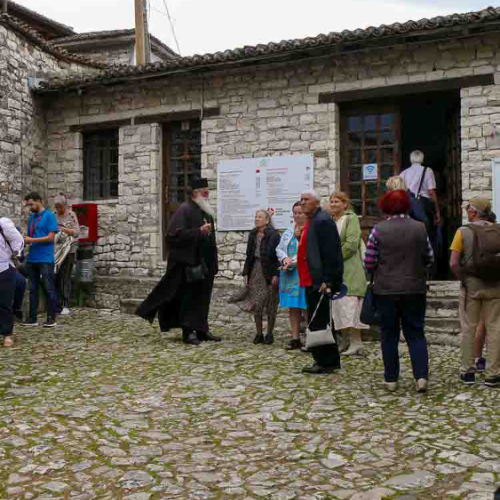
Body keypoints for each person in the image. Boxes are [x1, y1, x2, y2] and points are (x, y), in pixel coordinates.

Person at [136, 178, 220, 346]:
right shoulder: (184, 210)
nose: (207, 193)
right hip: (190, 263)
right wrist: (198, 231)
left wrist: (214, 263)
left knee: (203, 298)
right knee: (189, 298)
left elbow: (211, 239)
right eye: (205, 190)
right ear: (195, 193)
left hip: (206, 263)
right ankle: (188, 332)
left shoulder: (206, 210)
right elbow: (173, 236)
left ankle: (202, 330)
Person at [365, 189, 434, 393]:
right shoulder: (420, 228)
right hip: (414, 288)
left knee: (389, 334)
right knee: (416, 333)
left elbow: (369, 261)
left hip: (385, 290)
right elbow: (429, 257)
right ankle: (421, 377)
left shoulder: (378, 230)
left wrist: (378, 271)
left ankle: (391, 378)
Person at [450, 197, 500, 387]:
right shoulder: (498, 230)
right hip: (495, 285)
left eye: (467, 208)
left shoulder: (462, 232)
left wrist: (462, 279)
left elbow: (453, 263)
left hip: (471, 286)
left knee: (469, 327)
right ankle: (493, 374)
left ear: (473, 211)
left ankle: (468, 371)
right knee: (495, 327)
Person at [298, 190, 344, 374]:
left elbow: (331, 253)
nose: (302, 202)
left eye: (306, 199)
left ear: (316, 202)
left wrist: (328, 280)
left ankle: (324, 362)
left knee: (319, 321)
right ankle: (328, 360)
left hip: (319, 281)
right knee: (319, 320)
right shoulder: (314, 220)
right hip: (311, 279)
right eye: (301, 200)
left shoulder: (322, 221)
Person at [232, 210, 280, 345]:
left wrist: (276, 275)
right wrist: (246, 273)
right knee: (256, 302)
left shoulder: (274, 235)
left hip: (269, 271)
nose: (257, 219)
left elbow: (277, 257)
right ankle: (259, 333)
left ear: (267, 220)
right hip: (255, 270)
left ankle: (269, 333)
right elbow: (249, 255)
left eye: (260, 217)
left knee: (271, 302)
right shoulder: (253, 234)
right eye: (256, 217)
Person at [329, 192, 368, 356]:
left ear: (345, 204)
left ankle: (356, 342)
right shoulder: (331, 221)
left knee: (351, 306)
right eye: (331, 201)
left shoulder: (351, 219)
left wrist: (334, 257)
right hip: (336, 271)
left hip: (350, 268)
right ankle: (344, 341)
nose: (333, 204)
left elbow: (351, 244)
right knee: (339, 307)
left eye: (337, 201)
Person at [21, 192, 59, 328]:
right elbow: (31, 237)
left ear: (39, 201)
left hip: (45, 258)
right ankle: (32, 318)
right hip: (32, 258)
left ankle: (51, 318)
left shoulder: (49, 216)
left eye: (31, 204)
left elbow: (50, 238)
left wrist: (31, 240)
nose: (29, 207)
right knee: (33, 289)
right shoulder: (32, 218)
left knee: (49, 288)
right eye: (28, 205)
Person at [399, 151, 441, 275]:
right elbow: (431, 192)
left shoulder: (403, 173)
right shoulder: (427, 171)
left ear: (410, 159)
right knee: (428, 238)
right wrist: (437, 212)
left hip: (408, 209)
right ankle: (428, 271)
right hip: (423, 209)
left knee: (410, 239)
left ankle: (411, 269)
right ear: (422, 159)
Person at [276, 202, 307, 350]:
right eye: (295, 213)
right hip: (289, 274)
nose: (297, 215)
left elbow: (305, 250)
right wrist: (284, 259)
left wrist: (292, 261)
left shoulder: (309, 230)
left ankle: (311, 338)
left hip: (303, 272)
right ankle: (295, 338)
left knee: (306, 306)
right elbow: (279, 248)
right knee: (293, 306)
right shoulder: (288, 230)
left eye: (300, 213)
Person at [473, 209, 497, 373]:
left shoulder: (474, 234)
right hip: (494, 284)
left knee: (482, 324)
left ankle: (478, 358)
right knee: (491, 324)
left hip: (480, 283)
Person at [53, 193, 80, 315]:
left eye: (60, 207)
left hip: (69, 250)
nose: (58, 209)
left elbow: (77, 232)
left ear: (65, 205)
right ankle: (57, 303)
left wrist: (63, 229)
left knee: (66, 276)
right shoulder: (53, 215)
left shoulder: (71, 215)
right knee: (56, 276)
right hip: (56, 251)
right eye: (56, 207)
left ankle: (65, 304)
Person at [0, 217, 24, 347]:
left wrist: (14, 253)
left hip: (4, 268)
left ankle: (7, 334)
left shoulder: (3, 224)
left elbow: (18, 239)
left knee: (4, 302)